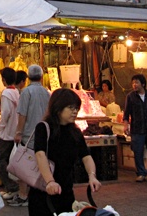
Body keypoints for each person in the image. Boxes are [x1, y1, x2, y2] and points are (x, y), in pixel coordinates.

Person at [29, 88, 101, 216]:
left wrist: (92, 175)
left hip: (66, 191)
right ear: (58, 108)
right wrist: (50, 181)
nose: (75, 112)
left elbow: (86, 156)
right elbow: (40, 155)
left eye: (76, 108)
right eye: (71, 108)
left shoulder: (75, 132)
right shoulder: (44, 128)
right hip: (43, 191)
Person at [10, 64, 50, 207]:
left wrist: (18, 132)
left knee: (24, 165)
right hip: (43, 134)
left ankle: (23, 195)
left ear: (28, 77)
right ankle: (36, 192)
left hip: (28, 135)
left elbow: (22, 114)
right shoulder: (47, 92)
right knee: (38, 165)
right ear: (40, 77)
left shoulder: (26, 92)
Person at [123, 73, 147, 182]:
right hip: (137, 129)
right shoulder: (130, 96)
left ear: (143, 84)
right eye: (133, 83)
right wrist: (126, 126)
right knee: (138, 152)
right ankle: (141, 173)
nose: (134, 85)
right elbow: (126, 114)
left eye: (137, 82)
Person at [0, 68, 20, 199]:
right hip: (15, 132)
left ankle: (12, 186)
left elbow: (5, 114)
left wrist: (0, 128)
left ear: (3, 79)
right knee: (9, 160)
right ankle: (13, 188)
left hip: (5, 134)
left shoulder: (6, 94)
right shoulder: (17, 93)